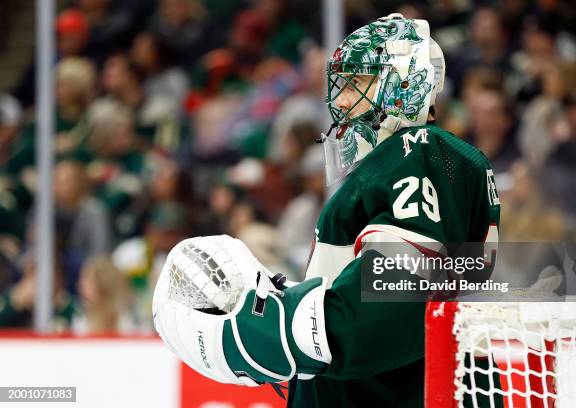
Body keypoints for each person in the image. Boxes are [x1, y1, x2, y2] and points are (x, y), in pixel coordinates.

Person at [153, 14, 501, 407]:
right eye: (342, 85)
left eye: (358, 82)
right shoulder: (400, 162)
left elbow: (397, 293)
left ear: (406, 85)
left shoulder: (419, 151)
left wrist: (276, 331)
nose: (342, 99)